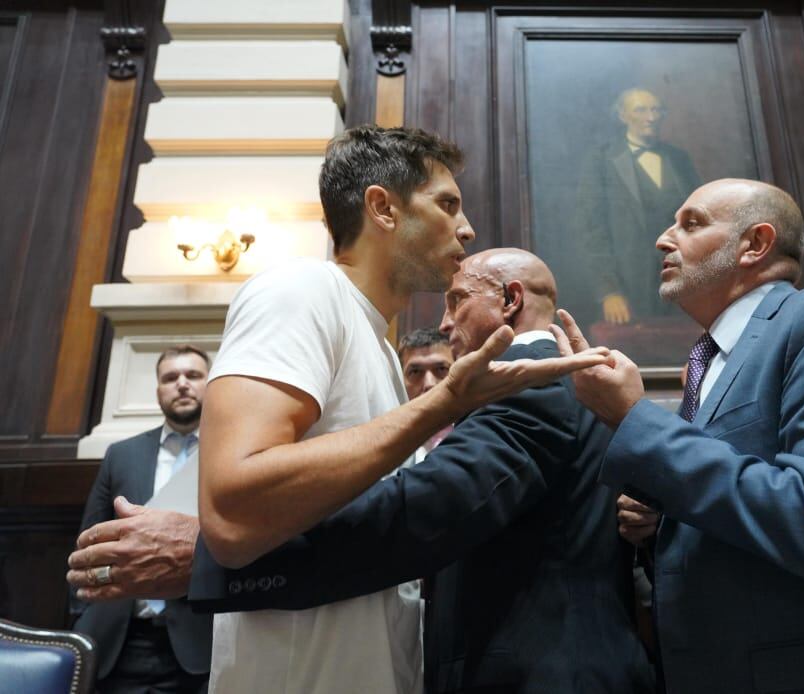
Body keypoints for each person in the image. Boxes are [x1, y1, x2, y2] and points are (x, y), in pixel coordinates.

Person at [67, 127, 608, 694]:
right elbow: (232, 509)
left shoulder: (379, 345)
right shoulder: (300, 290)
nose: (466, 228)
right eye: (447, 204)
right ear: (383, 208)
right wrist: (444, 403)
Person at [553, 178, 804, 693]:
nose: (662, 238)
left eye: (691, 223)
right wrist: (662, 524)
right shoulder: (706, 364)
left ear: (755, 244)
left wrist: (635, 418)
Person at [188, 248, 655, 694]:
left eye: (457, 300)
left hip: (546, 675)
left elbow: (417, 514)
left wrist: (237, 544)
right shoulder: (565, 385)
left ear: (510, 300)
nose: (445, 323)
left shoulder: (530, 385)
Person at [71, 346, 213, 693]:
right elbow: (89, 540)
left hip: (200, 643)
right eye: (170, 377)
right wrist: (81, 615)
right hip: (117, 642)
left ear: (211, 385)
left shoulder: (229, 452)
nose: (182, 384)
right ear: (158, 390)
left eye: (193, 375)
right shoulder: (122, 454)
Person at [574, 87, 701, 324]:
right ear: (622, 115)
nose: (651, 117)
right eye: (641, 110)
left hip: (681, 280)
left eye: (656, 110)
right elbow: (592, 230)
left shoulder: (679, 159)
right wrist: (609, 291)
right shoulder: (600, 160)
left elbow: (699, 220)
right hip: (629, 285)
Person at [397, 326, 455, 460]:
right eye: (415, 372)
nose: (429, 384)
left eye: (441, 369)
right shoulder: (384, 439)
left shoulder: (479, 429)